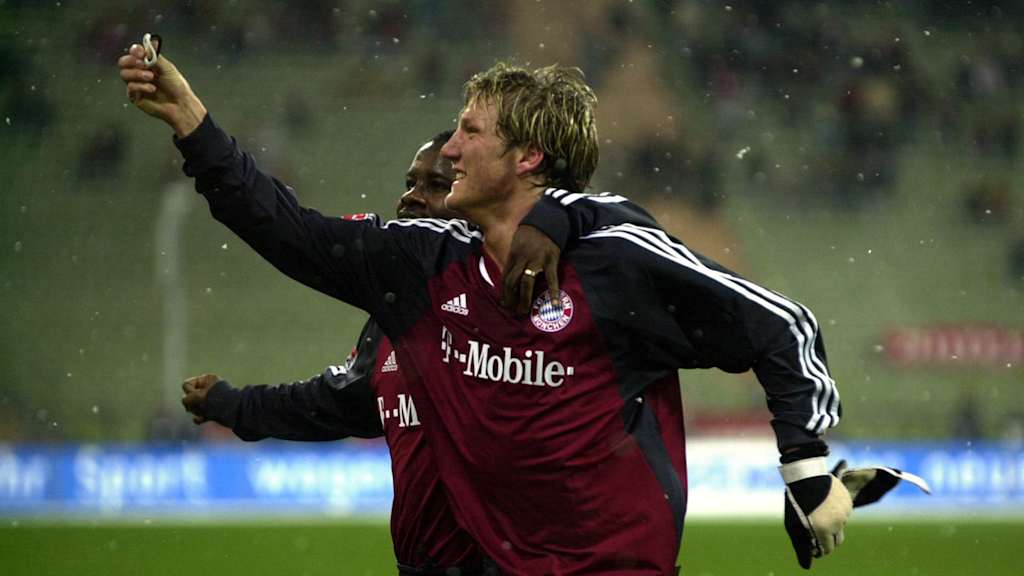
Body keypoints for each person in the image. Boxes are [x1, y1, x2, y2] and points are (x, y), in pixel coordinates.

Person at [120, 44, 849, 574]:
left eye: (470, 132)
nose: (450, 150)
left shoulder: (616, 260)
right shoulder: (425, 264)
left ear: (527, 157)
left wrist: (806, 469)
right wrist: (191, 121)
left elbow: (782, 327)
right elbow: (288, 230)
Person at [180, 130, 522, 575]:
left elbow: (287, 229)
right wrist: (235, 405)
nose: (412, 198)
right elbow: (339, 403)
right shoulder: (400, 317)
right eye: (410, 184)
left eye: (437, 185)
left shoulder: (516, 304)